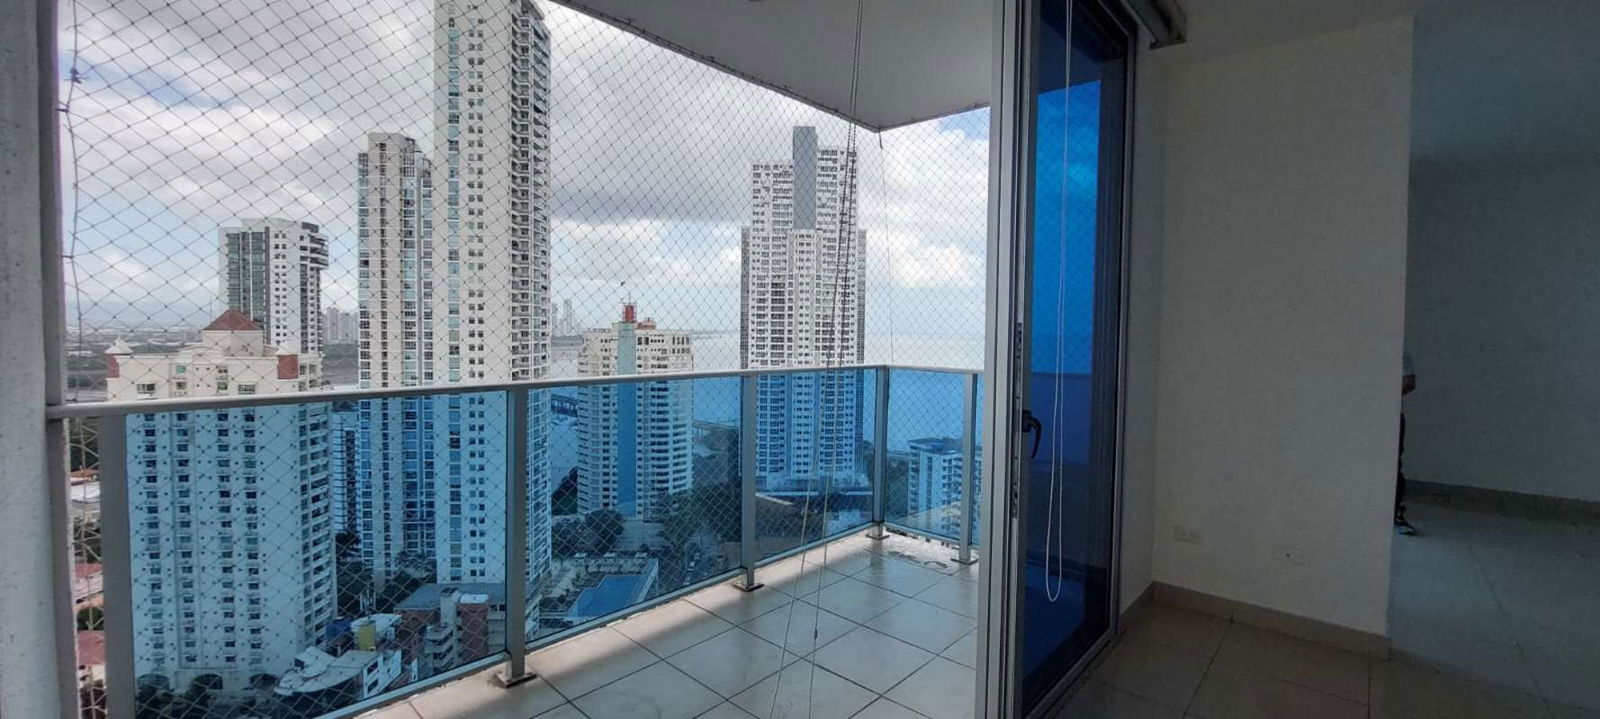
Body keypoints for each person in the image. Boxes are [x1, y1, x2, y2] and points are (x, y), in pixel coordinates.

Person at [1395, 351, 1416, 535]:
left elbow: (1409, 382)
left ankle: (1395, 513)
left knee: (1393, 465)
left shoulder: (1400, 351)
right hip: (1363, 415)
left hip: (1391, 416)